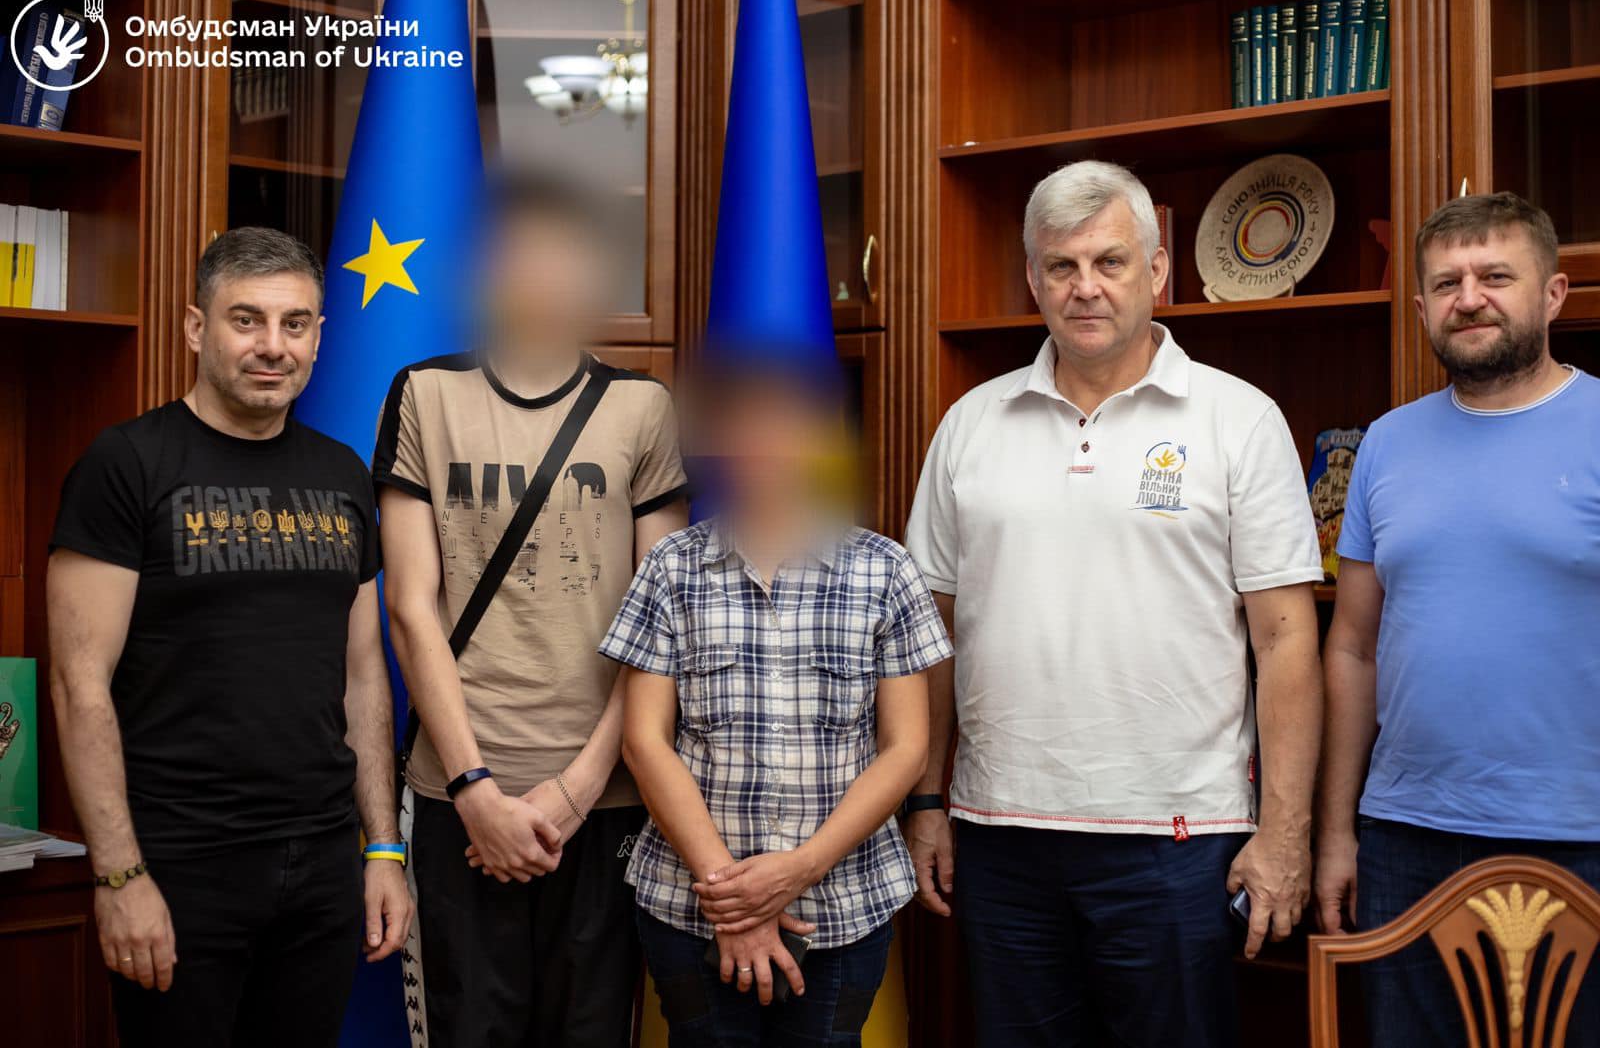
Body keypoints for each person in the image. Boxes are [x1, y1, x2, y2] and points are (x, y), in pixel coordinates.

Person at [902, 159, 1326, 1048]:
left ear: (1157, 269)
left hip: (1178, 837)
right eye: (1061, 266)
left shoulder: (1238, 419)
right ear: (1033, 278)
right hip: (999, 831)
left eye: (1110, 261)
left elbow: (1288, 643)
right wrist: (927, 801)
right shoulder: (970, 424)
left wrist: (1285, 836)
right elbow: (928, 634)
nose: (1084, 286)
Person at [47, 227, 410, 1047]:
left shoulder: (342, 474)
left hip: (322, 864)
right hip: (179, 862)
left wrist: (383, 850)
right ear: (195, 327)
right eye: (247, 320)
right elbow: (78, 684)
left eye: (295, 323)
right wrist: (120, 875)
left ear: (318, 336)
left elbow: (362, 675)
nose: (273, 346)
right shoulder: (126, 464)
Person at [374, 172, 689, 1048]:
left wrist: (576, 791)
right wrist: (474, 789)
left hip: (608, 799)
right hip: (457, 794)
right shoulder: (424, 394)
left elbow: (662, 620)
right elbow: (410, 606)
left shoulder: (641, 407)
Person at [1316, 192, 1599, 1047]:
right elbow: (1352, 648)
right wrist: (1336, 832)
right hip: (1406, 836)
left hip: (1580, 836)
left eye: (1495, 277)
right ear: (1421, 308)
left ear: (1553, 294)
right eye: (1446, 283)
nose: (1468, 298)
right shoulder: (1386, 443)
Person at [602, 365, 952, 1046]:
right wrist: (733, 898)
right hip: (691, 904)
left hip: (842, 904)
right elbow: (644, 741)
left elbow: (906, 749)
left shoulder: (885, 569)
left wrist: (799, 870)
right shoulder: (672, 566)